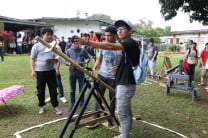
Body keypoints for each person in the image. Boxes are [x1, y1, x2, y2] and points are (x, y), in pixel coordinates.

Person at [79, 19, 139, 138]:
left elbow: (110, 46)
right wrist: (116, 68)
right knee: (122, 109)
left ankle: (123, 133)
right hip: (114, 78)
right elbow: (126, 62)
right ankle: (124, 133)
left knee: (120, 109)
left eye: (123, 29)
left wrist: (89, 43)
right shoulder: (125, 44)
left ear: (130, 31)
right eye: (119, 29)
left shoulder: (129, 43)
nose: (120, 31)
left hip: (123, 82)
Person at [88, 26, 122, 128]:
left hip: (114, 78)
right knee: (98, 97)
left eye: (109, 35)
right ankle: (96, 118)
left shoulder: (121, 47)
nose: (107, 38)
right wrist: (94, 67)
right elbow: (99, 59)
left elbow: (127, 64)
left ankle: (111, 119)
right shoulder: (103, 46)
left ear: (115, 35)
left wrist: (119, 68)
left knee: (112, 99)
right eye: (106, 35)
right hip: (102, 76)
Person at [30, 28, 62, 115]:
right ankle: (41, 106)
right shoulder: (36, 46)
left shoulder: (53, 46)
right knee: (40, 91)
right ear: (42, 35)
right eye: (47, 34)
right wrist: (33, 70)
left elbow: (57, 58)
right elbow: (32, 59)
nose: (49, 36)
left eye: (51, 34)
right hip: (40, 72)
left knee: (53, 90)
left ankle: (55, 107)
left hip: (51, 71)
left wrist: (54, 61)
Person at [66, 35, 90, 111]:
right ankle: (72, 104)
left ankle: (82, 104)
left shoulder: (83, 50)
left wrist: (86, 61)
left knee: (81, 89)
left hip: (81, 73)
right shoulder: (68, 51)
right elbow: (66, 61)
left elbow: (88, 58)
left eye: (77, 41)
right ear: (72, 42)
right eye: (74, 41)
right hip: (72, 73)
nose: (76, 43)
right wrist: (68, 63)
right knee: (72, 90)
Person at [45, 35, 68, 104]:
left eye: (53, 38)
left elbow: (59, 58)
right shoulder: (46, 46)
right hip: (48, 69)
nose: (51, 39)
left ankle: (61, 96)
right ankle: (52, 96)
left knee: (58, 82)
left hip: (55, 68)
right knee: (51, 84)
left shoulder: (57, 47)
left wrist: (57, 69)